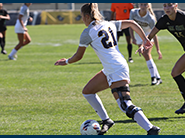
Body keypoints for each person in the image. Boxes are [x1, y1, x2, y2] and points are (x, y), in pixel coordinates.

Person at [55, 3, 160, 135]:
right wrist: (145, 39)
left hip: (115, 68)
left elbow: (78, 56)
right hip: (113, 67)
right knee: (88, 91)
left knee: (125, 105)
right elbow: (132, 23)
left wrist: (66, 61)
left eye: (82, 17)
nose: (82, 20)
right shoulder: (109, 24)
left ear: (87, 16)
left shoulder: (87, 32)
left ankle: (151, 129)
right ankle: (107, 121)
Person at [129, 3, 163, 85]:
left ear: (148, 6)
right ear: (139, 5)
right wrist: (132, 38)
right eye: (141, 4)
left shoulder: (150, 18)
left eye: (145, 4)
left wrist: (158, 49)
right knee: (147, 57)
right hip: (139, 37)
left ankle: (153, 78)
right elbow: (130, 26)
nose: (143, 6)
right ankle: (158, 77)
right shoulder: (133, 12)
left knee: (147, 54)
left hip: (148, 37)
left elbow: (154, 34)